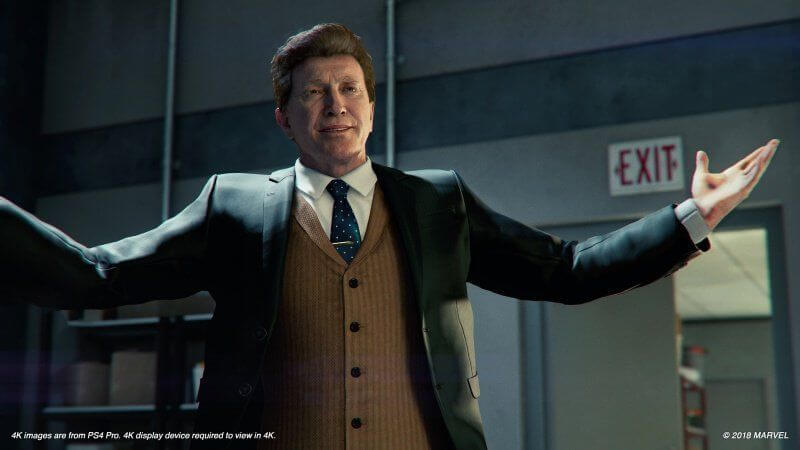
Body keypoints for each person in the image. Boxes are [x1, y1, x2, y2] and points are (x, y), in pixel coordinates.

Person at [0, 23, 777, 450]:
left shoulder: (439, 202)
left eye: (349, 89)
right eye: (313, 93)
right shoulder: (230, 206)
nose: (334, 104)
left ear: (371, 107)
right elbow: (96, 275)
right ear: (285, 117)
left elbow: (568, 270)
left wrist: (690, 217)